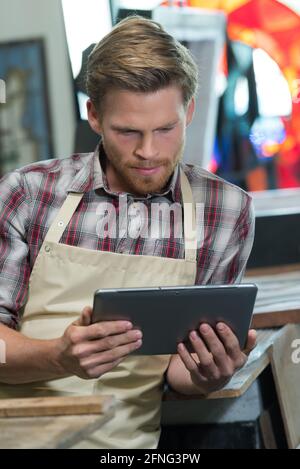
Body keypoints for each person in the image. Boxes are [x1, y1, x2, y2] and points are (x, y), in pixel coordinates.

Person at [0, 15, 256, 449]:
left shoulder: (225, 211)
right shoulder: (27, 193)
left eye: (166, 128)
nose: (148, 151)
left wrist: (208, 372)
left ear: (189, 110)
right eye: (127, 131)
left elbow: (179, 373)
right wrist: (56, 357)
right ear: (95, 116)